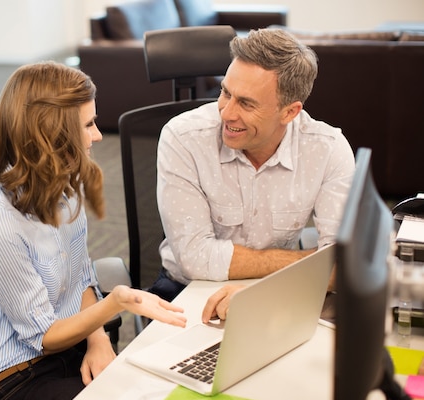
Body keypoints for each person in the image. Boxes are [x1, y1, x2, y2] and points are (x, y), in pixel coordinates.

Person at [0, 61, 186, 400]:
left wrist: (98, 339)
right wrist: (116, 302)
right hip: (9, 378)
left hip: (65, 348)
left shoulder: (65, 187)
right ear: (51, 135)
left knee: (157, 396)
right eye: (88, 124)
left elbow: (79, 280)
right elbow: (43, 337)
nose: (97, 136)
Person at [152, 28, 356, 312]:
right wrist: (309, 262)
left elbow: (345, 264)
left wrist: (260, 285)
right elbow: (195, 259)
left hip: (278, 288)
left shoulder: (327, 149)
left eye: (246, 103)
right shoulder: (183, 138)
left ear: (289, 112)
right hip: (186, 290)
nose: (226, 112)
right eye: (225, 92)